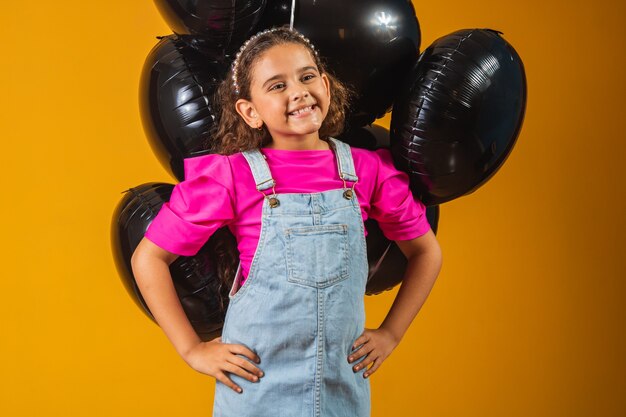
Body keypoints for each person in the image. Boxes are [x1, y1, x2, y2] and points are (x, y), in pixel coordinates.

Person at [131, 26, 442, 417]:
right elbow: (149, 258)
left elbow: (426, 250)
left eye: (307, 76)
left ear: (326, 87)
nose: (297, 91)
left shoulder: (367, 171)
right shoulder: (233, 177)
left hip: (340, 393)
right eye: (276, 86)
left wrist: (391, 333)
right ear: (250, 111)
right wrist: (192, 349)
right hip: (258, 393)